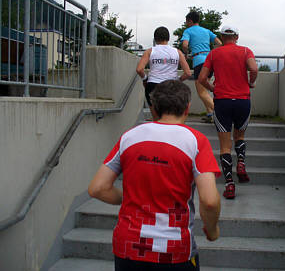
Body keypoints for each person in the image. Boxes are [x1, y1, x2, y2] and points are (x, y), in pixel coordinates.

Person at [88, 80, 221, 271]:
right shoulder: (196, 141)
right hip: (173, 250)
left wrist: (131, 198)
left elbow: (97, 188)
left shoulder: (129, 136)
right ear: (187, 108)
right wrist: (213, 230)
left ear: (155, 107)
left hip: (128, 246)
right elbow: (209, 201)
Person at [198, 25, 258, 199]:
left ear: (222, 37)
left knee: (225, 146)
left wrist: (212, 87)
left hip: (222, 102)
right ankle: (241, 162)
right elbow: (254, 69)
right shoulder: (246, 51)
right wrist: (251, 82)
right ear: (237, 36)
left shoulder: (213, 54)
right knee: (239, 136)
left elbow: (202, 78)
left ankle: (230, 184)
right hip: (242, 101)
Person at [137, 26, 192, 121]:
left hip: (153, 85)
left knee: (157, 119)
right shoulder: (177, 52)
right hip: (171, 87)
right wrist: (178, 80)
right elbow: (188, 73)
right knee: (173, 118)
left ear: (155, 38)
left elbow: (139, 69)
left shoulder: (150, 51)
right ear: (168, 38)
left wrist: (145, 79)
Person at [181, 11, 222, 123]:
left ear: (190, 21)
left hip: (199, 62)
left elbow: (184, 45)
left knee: (201, 92)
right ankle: (209, 114)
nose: (186, 24)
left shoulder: (188, 31)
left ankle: (220, 112)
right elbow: (219, 43)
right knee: (205, 90)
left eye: (186, 21)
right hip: (210, 61)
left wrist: (186, 53)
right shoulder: (206, 31)